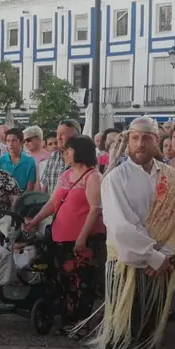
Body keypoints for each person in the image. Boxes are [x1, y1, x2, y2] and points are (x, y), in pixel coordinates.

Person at [88, 117, 175, 349]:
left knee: (149, 331)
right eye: (135, 138)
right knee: (121, 331)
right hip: (126, 265)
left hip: (161, 264)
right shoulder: (115, 178)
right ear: (127, 141)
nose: (141, 143)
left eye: (147, 137)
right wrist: (153, 256)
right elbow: (120, 227)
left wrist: (168, 254)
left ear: (157, 140)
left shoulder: (171, 176)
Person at [25, 137, 105, 334]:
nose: (65, 153)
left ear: (80, 152)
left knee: (82, 283)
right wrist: (35, 220)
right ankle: (69, 321)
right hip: (60, 237)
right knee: (65, 281)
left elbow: (95, 209)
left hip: (83, 240)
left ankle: (81, 325)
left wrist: (82, 237)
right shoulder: (66, 174)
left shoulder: (93, 176)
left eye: (69, 150)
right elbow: (53, 203)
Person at [37, 120, 75, 193]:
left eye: (63, 134)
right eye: (57, 134)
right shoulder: (53, 156)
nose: (59, 138)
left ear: (74, 136)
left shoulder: (81, 157)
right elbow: (45, 185)